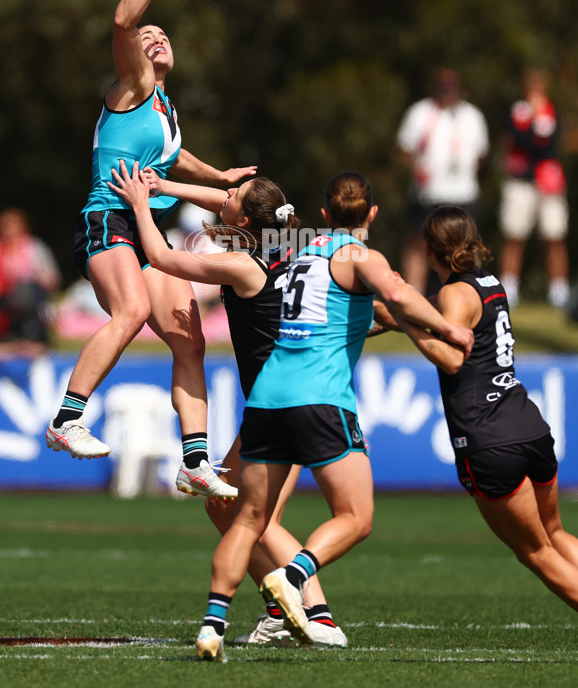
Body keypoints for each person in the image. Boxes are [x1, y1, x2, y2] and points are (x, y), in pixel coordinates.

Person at [192, 171, 474, 662]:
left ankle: (218, 622)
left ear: (322, 213)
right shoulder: (359, 257)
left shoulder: (298, 252)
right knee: (354, 516)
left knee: (244, 516)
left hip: (265, 397)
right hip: (315, 395)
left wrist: (160, 190)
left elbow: (367, 309)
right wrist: (447, 330)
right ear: (373, 214)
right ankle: (300, 593)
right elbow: (397, 299)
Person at [46, 0, 255, 502]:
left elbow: (173, 155)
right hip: (107, 218)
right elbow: (121, 18)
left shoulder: (164, 107)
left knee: (190, 340)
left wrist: (218, 177)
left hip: (144, 227)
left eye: (163, 34)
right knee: (132, 310)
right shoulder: (132, 86)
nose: (154, 37)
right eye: (149, 35)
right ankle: (66, 419)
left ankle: (193, 462)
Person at [108, 160, 348, 647]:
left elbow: (161, 257)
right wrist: (165, 185)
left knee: (256, 518)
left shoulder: (242, 263)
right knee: (226, 508)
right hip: (295, 398)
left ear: (243, 222)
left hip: (281, 405)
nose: (225, 194)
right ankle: (281, 608)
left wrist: (140, 205)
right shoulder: (284, 244)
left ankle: (317, 614)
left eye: (235, 195)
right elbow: (225, 205)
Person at [381, 205, 578, 620]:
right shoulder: (488, 284)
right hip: (528, 425)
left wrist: (411, 326)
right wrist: (385, 309)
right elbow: (421, 311)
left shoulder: (454, 294)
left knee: (537, 552)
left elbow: (452, 358)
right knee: (556, 534)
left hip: (489, 440)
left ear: (430, 250)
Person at [396, 69, 489, 294]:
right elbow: (404, 150)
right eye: (443, 89)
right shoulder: (420, 112)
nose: (448, 94)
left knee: (466, 245)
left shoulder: (472, 115)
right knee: (418, 243)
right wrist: (416, 170)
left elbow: (480, 154)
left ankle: (467, 291)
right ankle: (414, 293)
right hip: (428, 193)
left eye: (451, 89)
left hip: (462, 193)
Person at [498, 69, 570, 309]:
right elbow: (520, 140)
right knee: (514, 234)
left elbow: (551, 144)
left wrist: (535, 128)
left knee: (554, 235)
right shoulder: (517, 111)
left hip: (548, 182)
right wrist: (533, 128)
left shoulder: (552, 112)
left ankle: (559, 290)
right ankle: (509, 288)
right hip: (521, 180)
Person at [0, 208, 61, 357]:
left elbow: (51, 278)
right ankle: (3, 340)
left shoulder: (34, 247)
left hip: (29, 296)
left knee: (23, 293)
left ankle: (29, 339)